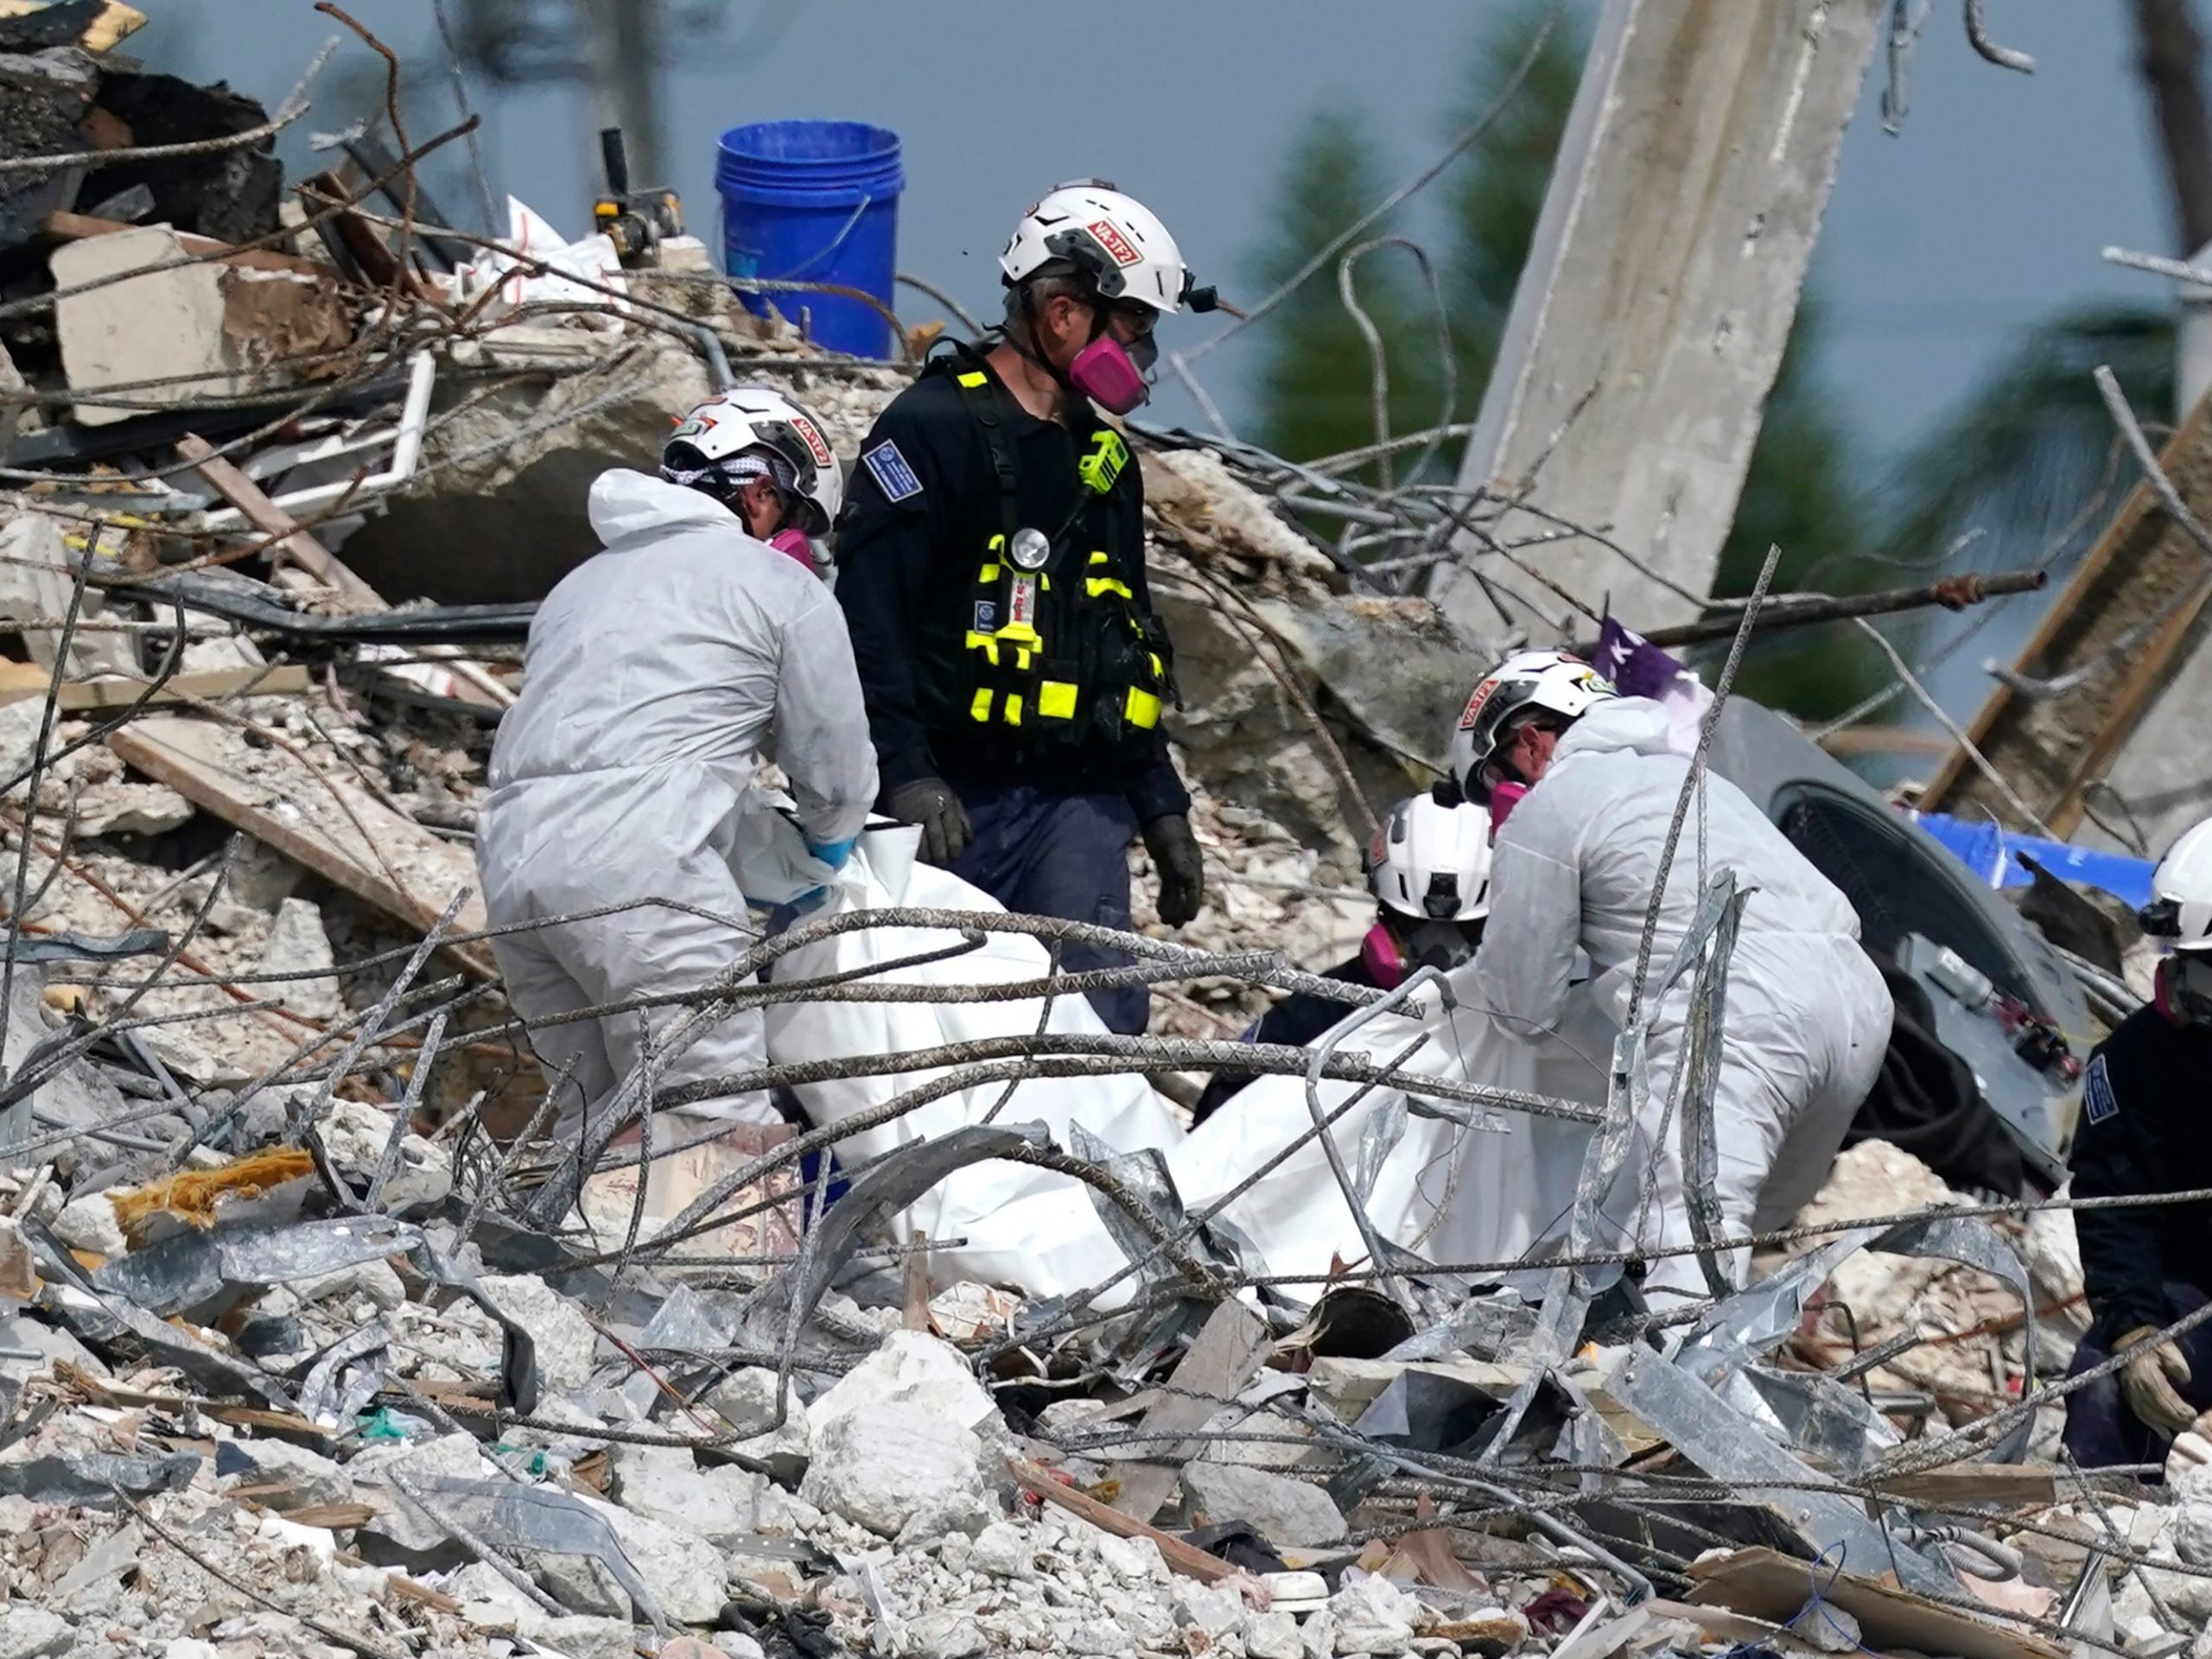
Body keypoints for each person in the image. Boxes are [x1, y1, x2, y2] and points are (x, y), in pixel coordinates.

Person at [835, 181, 1222, 1034]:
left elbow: (1125, 648)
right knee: (925, 1025)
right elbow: (868, 618)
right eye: (1135, 329)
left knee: (1094, 1026)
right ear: (1060, 311)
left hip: (1074, 805)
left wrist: (1161, 808)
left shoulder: (1102, 462)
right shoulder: (928, 429)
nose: (1145, 357)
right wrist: (905, 772)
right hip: (954, 797)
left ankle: (1093, 1172)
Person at [476, 386, 877, 1148]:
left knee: (593, 1125)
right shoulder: (777, 586)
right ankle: (707, 1273)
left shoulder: (578, 585)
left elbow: (621, 751)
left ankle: (571, 1270)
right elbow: (833, 765)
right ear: (763, 493)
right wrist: (826, 848)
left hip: (514, 872)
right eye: (797, 524)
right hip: (645, 884)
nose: (799, 548)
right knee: (712, 1119)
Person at [1456, 650, 1893, 1306]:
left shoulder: (1552, 804)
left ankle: (1652, 1399)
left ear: (1529, 741)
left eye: (1495, 779)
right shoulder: (1702, 783)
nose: (1502, 797)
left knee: (1684, 1242)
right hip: (1858, 1007)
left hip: (1743, 1007)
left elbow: (1522, 1010)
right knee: (1727, 1236)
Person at [1192, 793, 1492, 1122]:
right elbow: (1222, 1109)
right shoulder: (1320, 1012)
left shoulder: (1521, 1020)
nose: (1439, 952)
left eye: (1468, 929)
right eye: (1412, 925)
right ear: (1381, 909)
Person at [2062, 816, 2212, 1471]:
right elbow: (2117, 1204)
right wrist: (2134, 1329)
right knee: (2109, 1379)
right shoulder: (2139, 1062)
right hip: (2202, 1287)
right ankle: (2101, 1546)